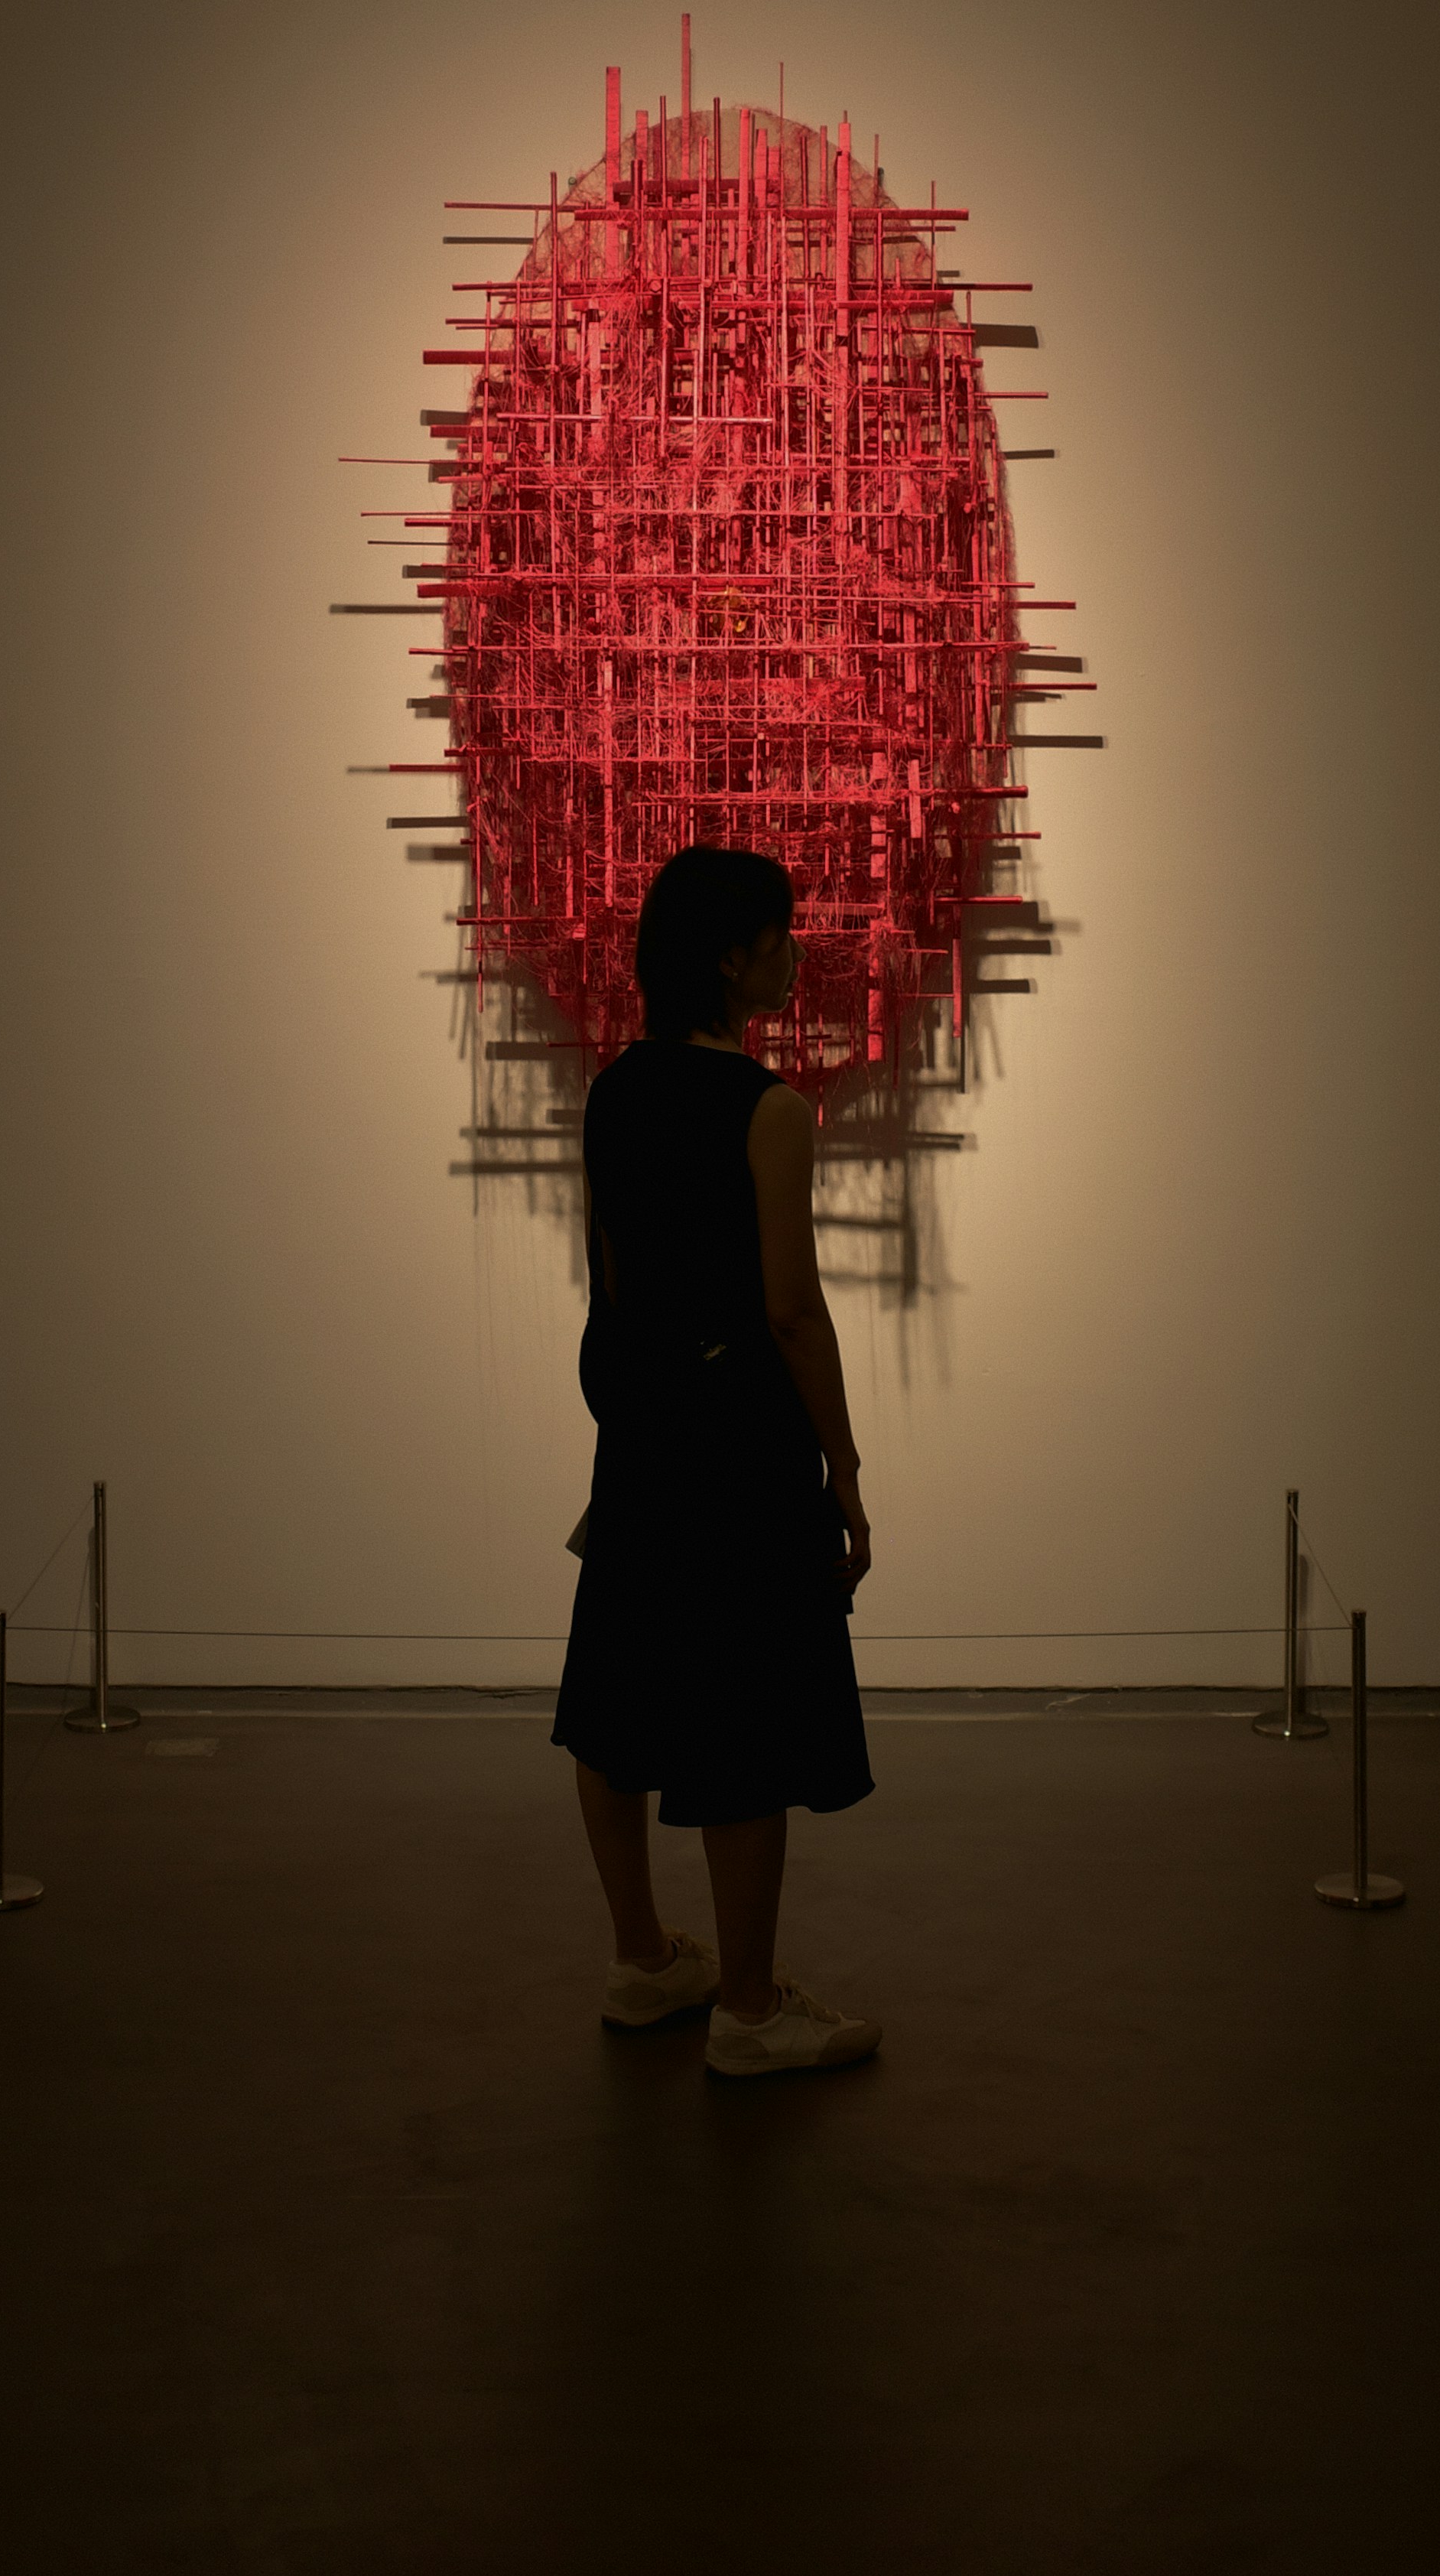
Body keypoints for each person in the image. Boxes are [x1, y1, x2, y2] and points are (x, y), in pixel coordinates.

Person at [551, 846, 881, 2077]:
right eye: (781, 935)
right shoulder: (769, 1110)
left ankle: (642, 1957)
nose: (796, 955)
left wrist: (626, 1419)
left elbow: (612, 1281)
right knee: (743, 1715)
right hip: (739, 1445)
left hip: (641, 1433)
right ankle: (747, 2008)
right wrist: (844, 1469)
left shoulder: (612, 1094)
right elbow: (790, 1310)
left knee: (616, 1692)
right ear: (733, 957)